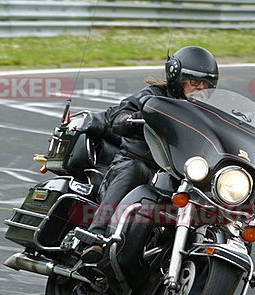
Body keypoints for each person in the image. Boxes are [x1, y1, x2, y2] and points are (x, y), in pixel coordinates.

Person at [80, 46, 219, 262]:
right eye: (194, 82)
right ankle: (95, 236)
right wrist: (132, 118)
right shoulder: (153, 96)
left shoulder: (209, 114)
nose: (201, 88)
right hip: (135, 161)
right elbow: (118, 115)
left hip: (177, 175)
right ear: (177, 78)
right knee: (135, 170)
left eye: (207, 84)